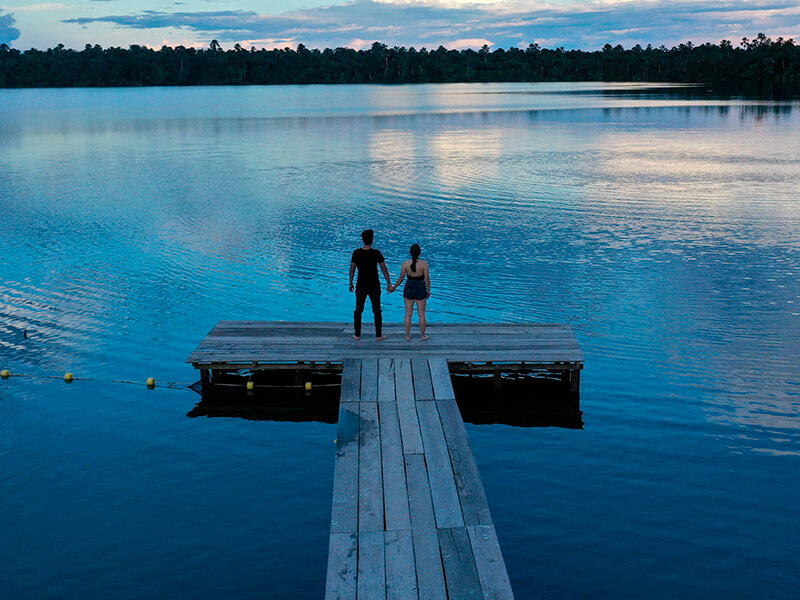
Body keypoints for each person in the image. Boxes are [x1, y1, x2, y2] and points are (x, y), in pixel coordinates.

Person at [349, 229, 392, 341]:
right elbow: (384, 269)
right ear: (372, 240)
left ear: (362, 240)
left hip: (361, 285)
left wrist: (351, 282)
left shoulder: (356, 253)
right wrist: (389, 283)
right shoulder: (376, 253)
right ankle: (379, 335)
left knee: (358, 309)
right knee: (377, 310)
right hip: (374, 285)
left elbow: (352, 269)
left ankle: (357, 334)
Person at [389, 244, 431, 341]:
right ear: (419, 253)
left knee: (408, 313)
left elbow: (401, 278)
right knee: (421, 314)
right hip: (420, 287)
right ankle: (423, 335)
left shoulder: (405, 264)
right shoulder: (424, 264)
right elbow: (427, 279)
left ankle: (407, 336)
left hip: (409, 287)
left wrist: (394, 287)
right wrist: (428, 290)